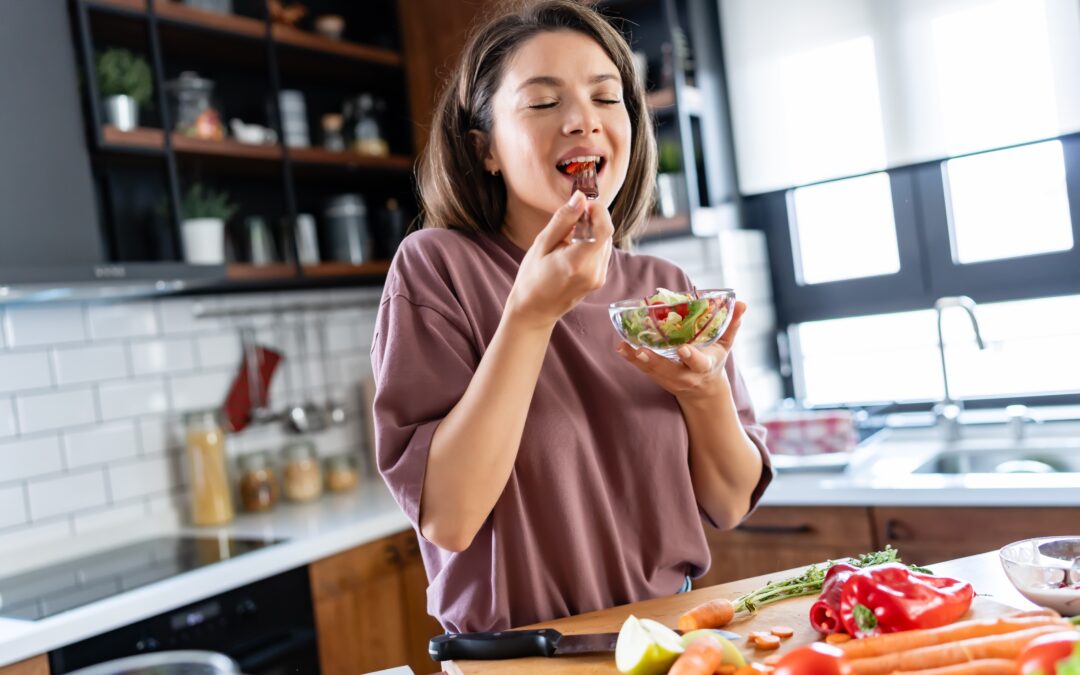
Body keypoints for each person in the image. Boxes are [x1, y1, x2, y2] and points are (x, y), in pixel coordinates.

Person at [371, 0, 772, 634]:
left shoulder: (663, 290)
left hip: (670, 638)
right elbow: (449, 516)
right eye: (542, 102)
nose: (583, 120)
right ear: (485, 150)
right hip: (522, 656)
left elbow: (728, 501)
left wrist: (703, 391)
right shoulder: (437, 269)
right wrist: (529, 315)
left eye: (606, 98)